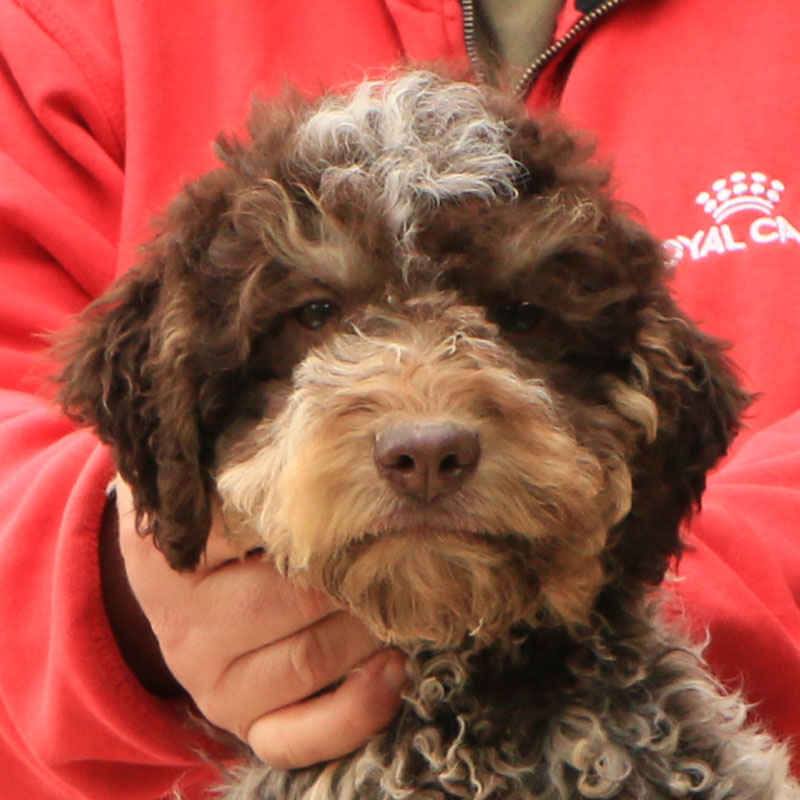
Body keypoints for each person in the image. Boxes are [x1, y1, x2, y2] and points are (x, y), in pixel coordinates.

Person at [1, 0, 798, 797]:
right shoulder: (68, 24)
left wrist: (662, 570)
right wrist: (122, 593)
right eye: (316, 317)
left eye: (520, 320)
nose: (424, 423)